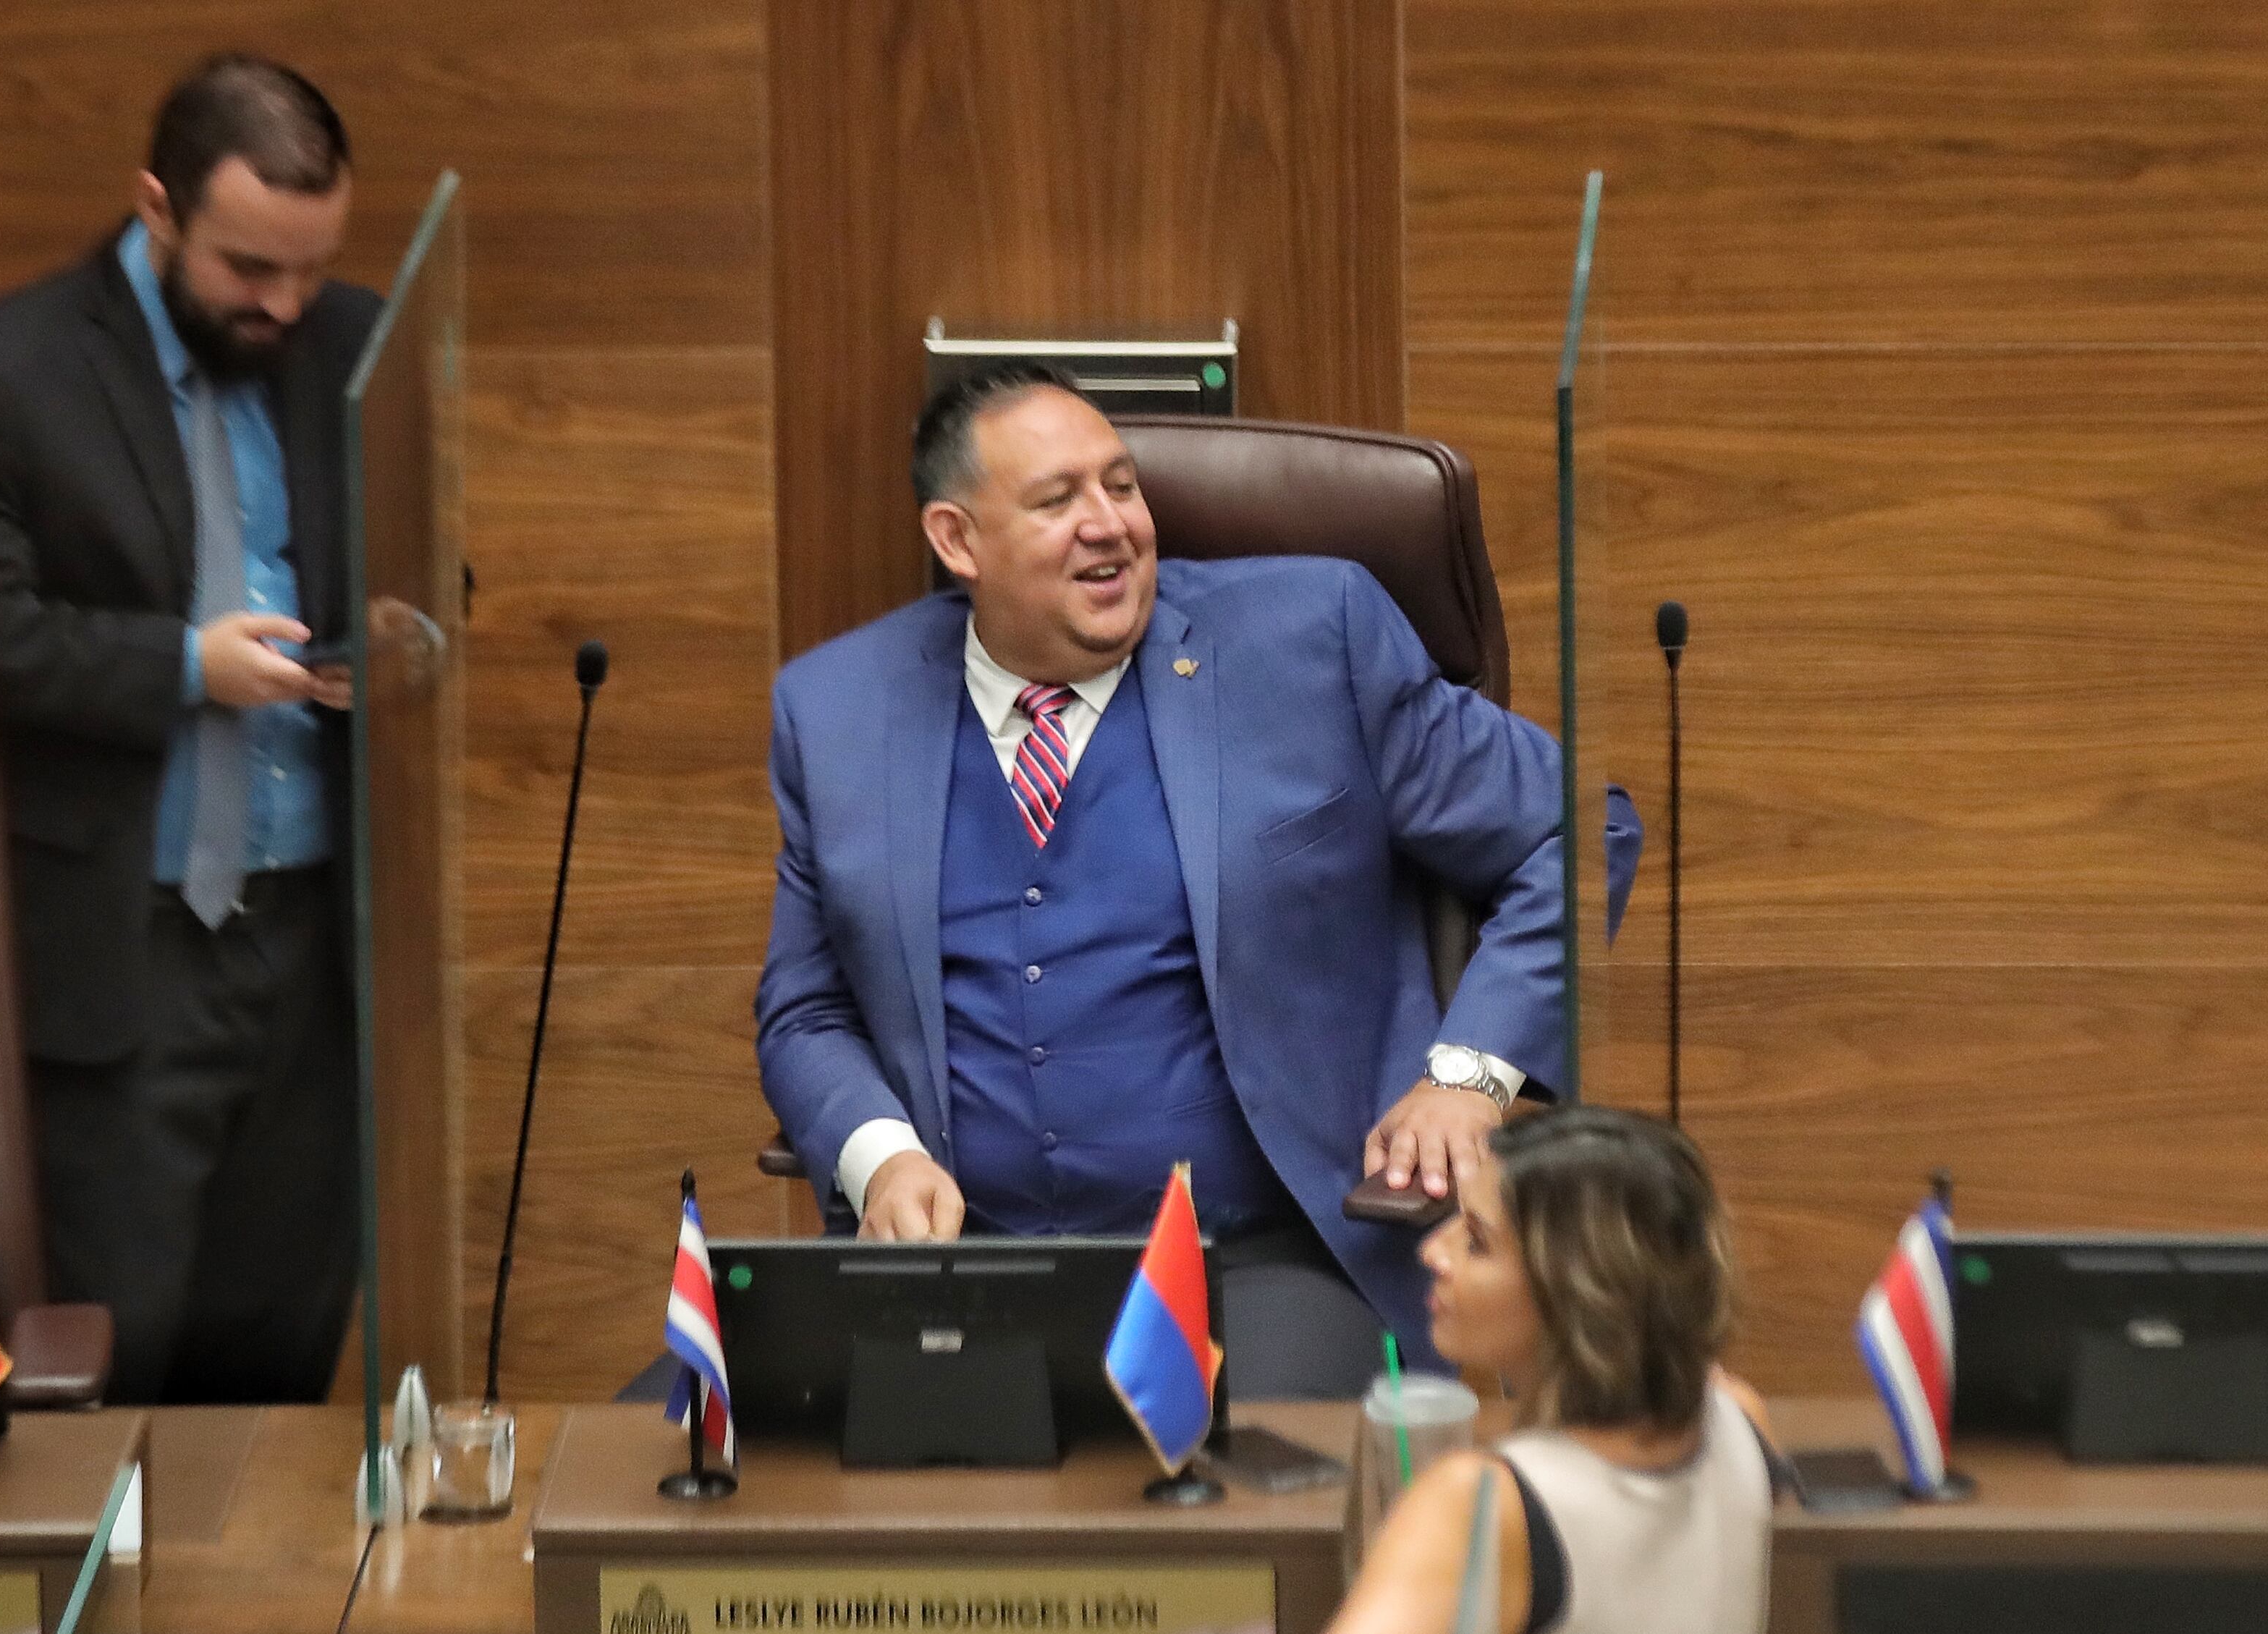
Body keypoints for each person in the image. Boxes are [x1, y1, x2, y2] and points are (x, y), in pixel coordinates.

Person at [754, 361, 1570, 1392]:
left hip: (1269, 1260)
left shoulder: (1310, 639)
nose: (1111, 525)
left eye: (1123, 485)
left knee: (1233, 1498)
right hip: (965, 1267)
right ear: (956, 540)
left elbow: (1573, 831)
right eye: (1058, 501)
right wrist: (880, 1156)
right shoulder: (836, 710)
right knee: (692, 1461)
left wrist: (1468, 1074)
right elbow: (806, 1008)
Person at [0, 54, 380, 1404]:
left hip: (315, 946)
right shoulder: (3, 368)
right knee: (121, 1357)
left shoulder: (354, 344)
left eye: (311, 266)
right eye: (248, 269)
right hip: (123, 949)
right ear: (156, 210)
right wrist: (183, 666)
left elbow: (420, 560)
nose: (284, 303)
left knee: (280, 1358)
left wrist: (386, 646)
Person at [1326, 1106, 1775, 1634]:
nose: (1431, 1252)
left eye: (1476, 1241)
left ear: (1578, 1288)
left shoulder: (1475, 1504)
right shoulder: (1742, 1420)